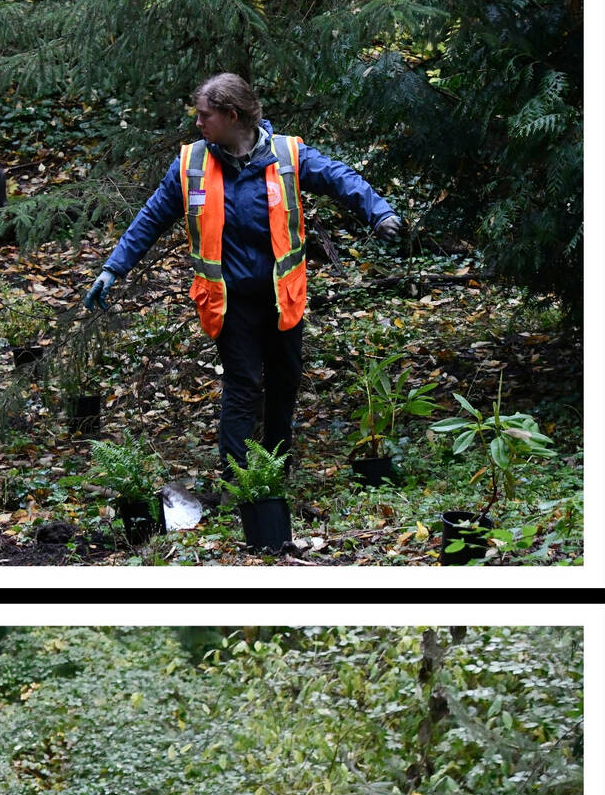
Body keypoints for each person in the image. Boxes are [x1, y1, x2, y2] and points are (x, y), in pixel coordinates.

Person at [84, 72, 403, 485]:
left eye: (205, 116)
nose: (198, 124)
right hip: (229, 301)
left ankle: (275, 473)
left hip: (281, 298)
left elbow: (340, 177)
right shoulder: (191, 164)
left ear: (232, 115)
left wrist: (379, 211)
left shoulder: (287, 154)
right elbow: (150, 218)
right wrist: (113, 268)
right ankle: (239, 482)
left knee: (283, 382)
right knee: (244, 385)